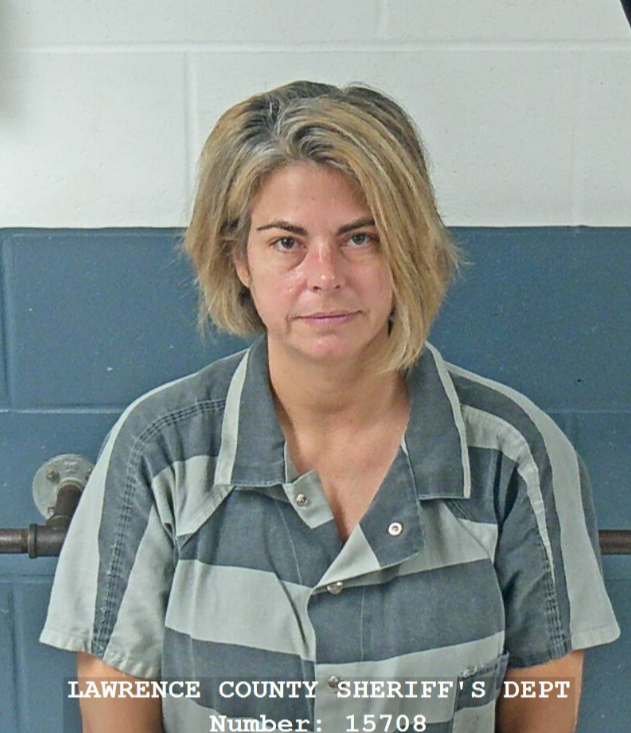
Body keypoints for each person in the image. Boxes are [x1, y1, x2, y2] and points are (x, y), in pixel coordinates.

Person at [40, 80, 620, 733]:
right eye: (286, 242)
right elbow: (115, 698)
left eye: (361, 238)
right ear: (238, 258)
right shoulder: (159, 450)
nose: (324, 275)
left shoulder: (512, 454)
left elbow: (543, 703)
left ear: (407, 248)